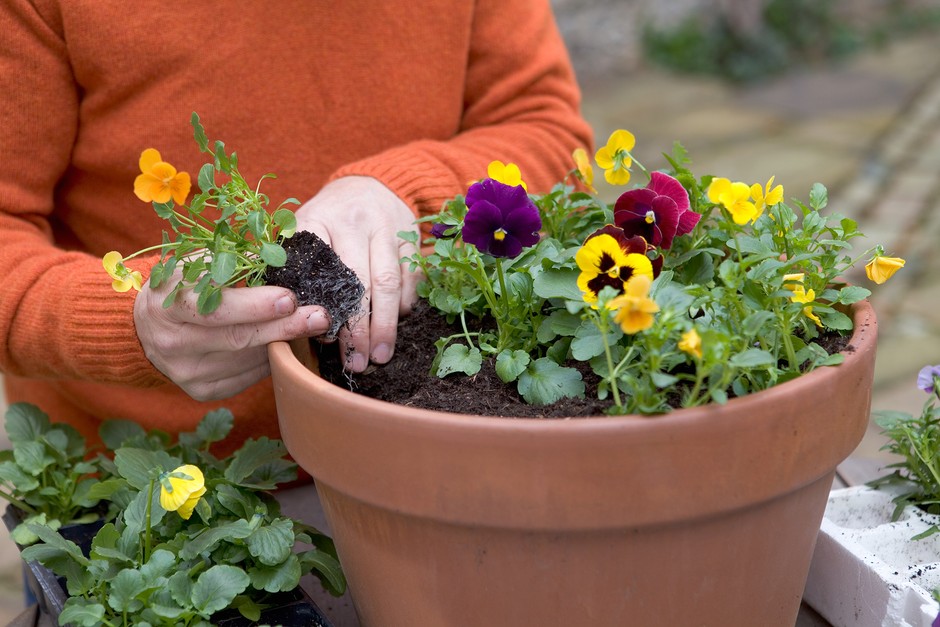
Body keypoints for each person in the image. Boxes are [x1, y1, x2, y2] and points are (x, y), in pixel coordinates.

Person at [0, 1, 593, 450]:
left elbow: (548, 132)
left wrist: (404, 190)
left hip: (434, 447)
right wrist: (131, 321)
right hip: (144, 488)